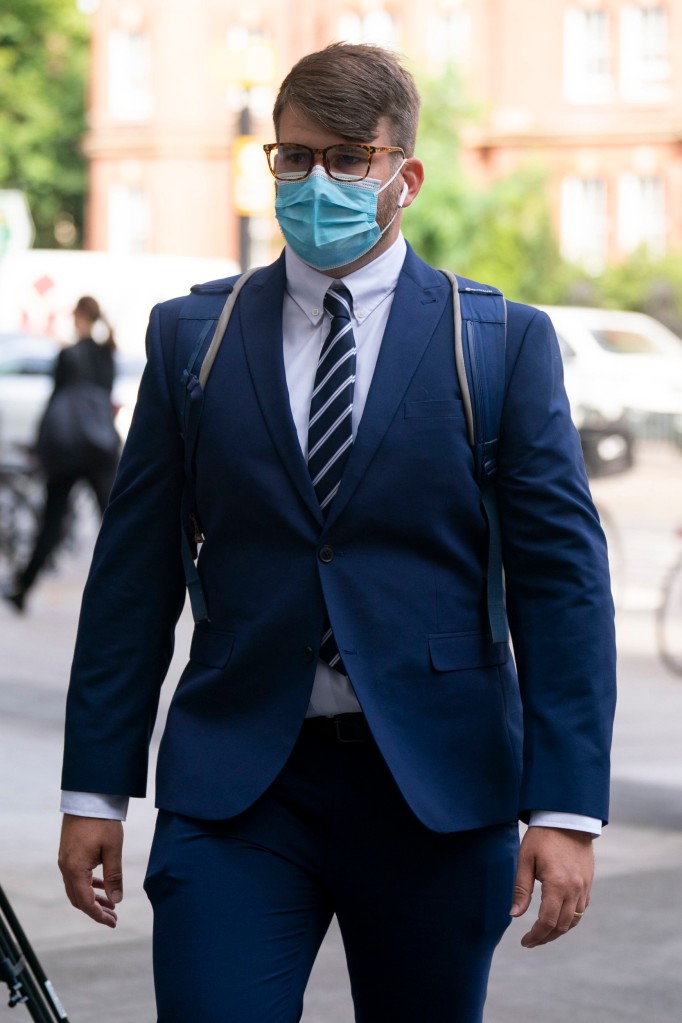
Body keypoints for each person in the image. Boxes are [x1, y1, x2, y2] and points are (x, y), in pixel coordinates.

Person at [57, 44, 617, 1023]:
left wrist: (564, 809)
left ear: (405, 174)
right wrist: (95, 792)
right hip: (237, 790)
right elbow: (131, 578)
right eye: (295, 158)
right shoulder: (194, 339)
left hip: (436, 795)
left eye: (347, 158)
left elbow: (560, 585)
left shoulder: (499, 344)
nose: (316, 181)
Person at [3, 296, 119, 613]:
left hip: (69, 449)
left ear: (80, 318)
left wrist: (40, 447)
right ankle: (125, 589)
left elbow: (55, 404)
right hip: (99, 448)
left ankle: (23, 588)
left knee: (52, 521)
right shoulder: (107, 354)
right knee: (113, 521)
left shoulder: (69, 355)